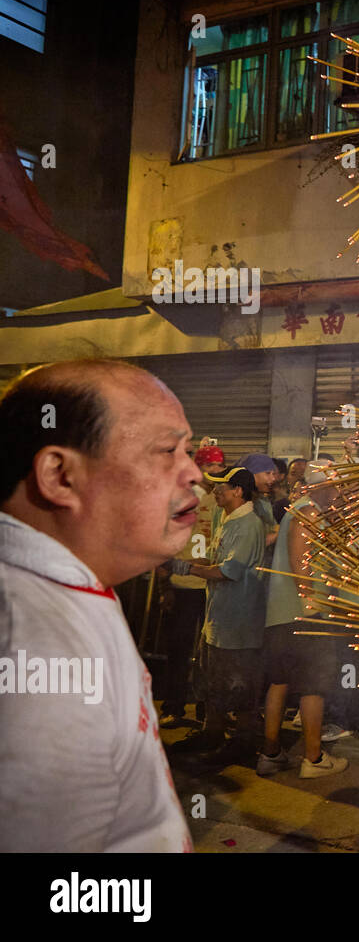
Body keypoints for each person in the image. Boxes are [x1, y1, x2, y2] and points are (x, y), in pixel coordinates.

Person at [0, 358, 193, 851]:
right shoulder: (36, 644)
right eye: (167, 451)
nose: (193, 473)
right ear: (60, 475)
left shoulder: (68, 588)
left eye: (188, 450)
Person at [257, 461, 351, 779]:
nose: (339, 492)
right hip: (305, 614)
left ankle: (271, 754)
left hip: (282, 613)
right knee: (313, 686)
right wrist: (315, 604)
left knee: (280, 682)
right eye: (335, 486)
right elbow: (301, 564)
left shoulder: (299, 510)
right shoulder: (308, 512)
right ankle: (313, 758)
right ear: (321, 486)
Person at [172, 466, 266, 761]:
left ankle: (243, 740)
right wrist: (186, 562)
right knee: (214, 681)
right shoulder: (226, 518)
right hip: (219, 618)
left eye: (221, 487)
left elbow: (227, 571)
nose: (215, 492)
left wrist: (187, 567)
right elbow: (216, 560)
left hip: (238, 623)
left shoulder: (249, 525)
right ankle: (212, 733)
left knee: (239, 685)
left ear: (238, 490)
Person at [158, 448, 222, 726]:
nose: (218, 471)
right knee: (179, 649)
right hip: (184, 584)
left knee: (211, 651)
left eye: (221, 466)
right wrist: (165, 586)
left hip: (213, 586)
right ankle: (174, 705)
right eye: (212, 465)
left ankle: (206, 708)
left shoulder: (223, 498)